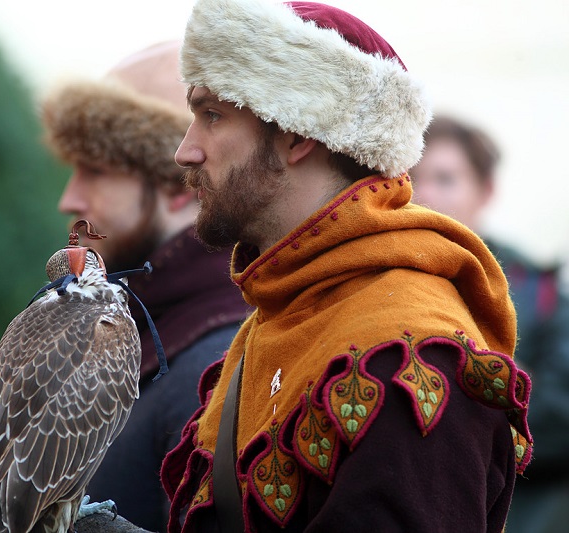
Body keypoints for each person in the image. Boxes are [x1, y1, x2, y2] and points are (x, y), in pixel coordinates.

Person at [159, 0, 534, 531]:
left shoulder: (405, 355)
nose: (186, 151)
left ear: (296, 133)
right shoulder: (285, 310)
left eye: (213, 115)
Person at [40, 41, 252, 532]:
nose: (68, 198)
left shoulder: (215, 362)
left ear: (179, 188)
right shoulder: (133, 329)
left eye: (95, 170)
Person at [411, 115, 569, 533]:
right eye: (413, 176)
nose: (424, 193)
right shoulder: (376, 282)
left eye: (445, 179)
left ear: (486, 191)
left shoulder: (541, 290)